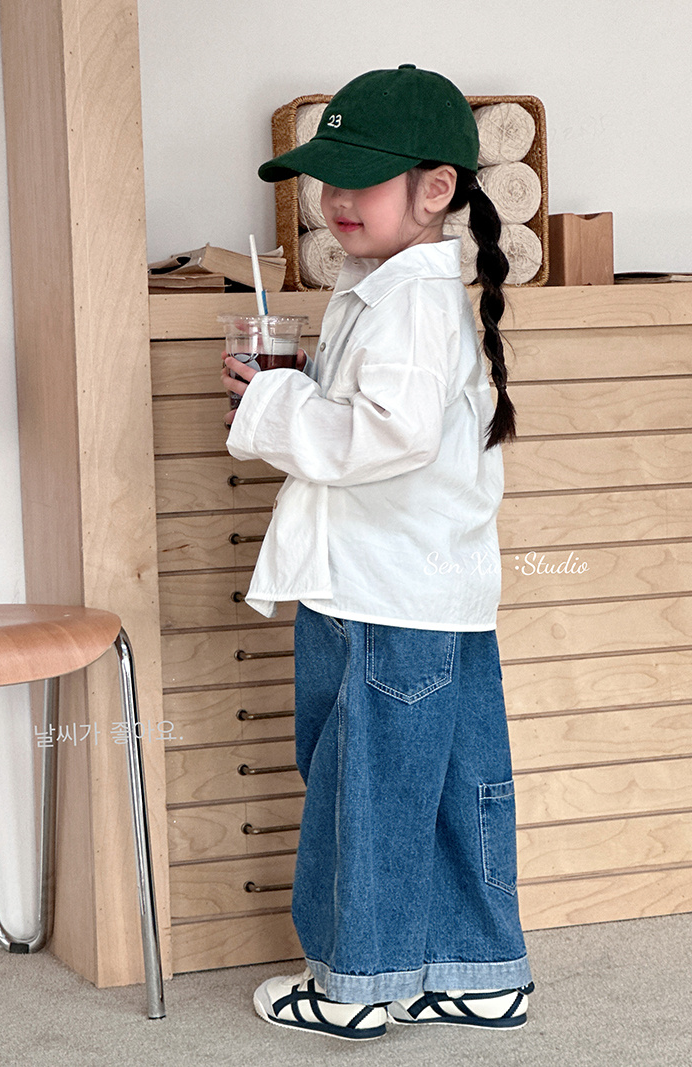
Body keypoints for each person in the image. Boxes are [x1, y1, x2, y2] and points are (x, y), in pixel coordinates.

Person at [221, 64, 533, 1042]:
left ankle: (355, 982)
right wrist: (297, 390)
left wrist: (270, 400)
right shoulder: (405, 294)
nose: (334, 198)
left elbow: (385, 435)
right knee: (452, 781)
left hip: (379, 595)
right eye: (326, 179)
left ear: (434, 188)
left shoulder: (404, 304)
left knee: (365, 788)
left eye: (359, 177)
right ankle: (481, 969)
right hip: (434, 592)